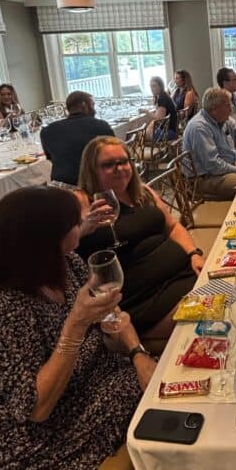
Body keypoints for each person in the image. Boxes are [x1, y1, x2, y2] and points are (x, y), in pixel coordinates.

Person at [0, 186, 156, 470]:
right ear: (42, 242)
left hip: (82, 385)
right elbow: (36, 409)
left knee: (158, 380)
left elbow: (112, 314)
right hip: (25, 438)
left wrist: (137, 353)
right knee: (152, 404)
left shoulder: (67, 263)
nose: (84, 225)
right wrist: (75, 325)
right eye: (75, 223)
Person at [76, 136, 202, 338]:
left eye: (124, 161)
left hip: (184, 275)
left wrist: (193, 253)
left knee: (235, 287)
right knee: (216, 315)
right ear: (92, 169)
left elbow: (173, 226)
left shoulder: (143, 192)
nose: (119, 168)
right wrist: (84, 228)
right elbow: (59, 248)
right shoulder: (82, 200)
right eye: (108, 164)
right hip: (145, 301)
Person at [181, 87, 236, 200]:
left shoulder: (220, 119)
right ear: (214, 109)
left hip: (223, 167)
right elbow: (213, 165)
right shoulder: (200, 127)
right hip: (205, 179)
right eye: (227, 105)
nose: (231, 109)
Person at [40, 91, 114, 186]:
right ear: (84, 105)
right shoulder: (101, 125)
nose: (94, 109)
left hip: (62, 187)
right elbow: (112, 154)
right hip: (95, 183)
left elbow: (51, 159)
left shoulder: (47, 131)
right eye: (92, 104)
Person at [147, 76, 178, 140]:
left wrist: (147, 112)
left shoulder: (162, 98)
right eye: (150, 86)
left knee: (140, 135)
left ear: (160, 86)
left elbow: (159, 119)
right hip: (172, 130)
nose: (151, 89)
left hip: (170, 132)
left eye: (154, 86)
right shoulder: (163, 95)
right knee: (144, 133)